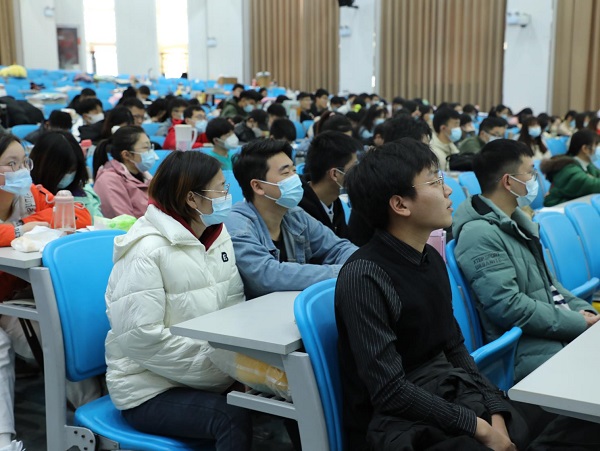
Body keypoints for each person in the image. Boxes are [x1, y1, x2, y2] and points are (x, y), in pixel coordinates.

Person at [337, 140, 529, 450]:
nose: (448, 190)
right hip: (396, 422)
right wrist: (476, 427)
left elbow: (453, 346)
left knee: (520, 428)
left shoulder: (430, 258)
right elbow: (389, 391)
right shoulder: (365, 276)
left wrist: (493, 407)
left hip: (442, 391)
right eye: (435, 182)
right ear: (400, 205)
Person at [104, 150, 252, 449]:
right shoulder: (146, 251)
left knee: (285, 390)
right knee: (232, 416)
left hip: (203, 373)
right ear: (192, 199)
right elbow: (143, 338)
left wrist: (239, 365)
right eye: (220, 189)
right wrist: (225, 370)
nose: (227, 196)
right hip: (148, 387)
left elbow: (233, 307)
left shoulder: (216, 235)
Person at [453, 139, 599, 383]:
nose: (535, 179)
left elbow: (551, 287)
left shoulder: (516, 222)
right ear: (508, 181)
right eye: (530, 172)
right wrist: (577, 322)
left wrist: (584, 312)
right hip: (527, 352)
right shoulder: (479, 234)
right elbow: (508, 306)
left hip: (555, 333)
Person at [0, 135, 91, 451]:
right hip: (9, 304)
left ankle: (96, 420)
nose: (21, 170)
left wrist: (28, 222)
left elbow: (78, 214)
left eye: (24, 162)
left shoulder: (32, 195)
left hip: (22, 298)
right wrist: (25, 229)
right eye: (11, 164)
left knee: (69, 333)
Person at [224, 139, 357, 299]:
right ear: (258, 186)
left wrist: (360, 265)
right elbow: (267, 276)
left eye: (294, 170)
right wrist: (342, 272)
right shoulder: (238, 225)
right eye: (286, 173)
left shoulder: (294, 215)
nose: (296, 178)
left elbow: (338, 248)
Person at [299, 131, 359, 238]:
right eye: (354, 167)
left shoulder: (334, 202)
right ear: (334, 174)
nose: (358, 172)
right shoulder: (300, 212)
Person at [30, 131, 103, 218]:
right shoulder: (27, 195)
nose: (67, 175)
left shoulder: (85, 193)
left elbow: (99, 222)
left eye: (72, 170)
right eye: (61, 171)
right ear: (44, 167)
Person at [93, 126, 156, 218]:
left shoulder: (145, 175)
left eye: (150, 147)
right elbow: (125, 222)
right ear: (126, 155)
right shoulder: (109, 181)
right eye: (146, 148)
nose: (151, 153)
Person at [541, 129, 600, 206]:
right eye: (596, 145)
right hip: (558, 207)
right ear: (585, 149)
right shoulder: (567, 168)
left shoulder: (588, 165)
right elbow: (592, 185)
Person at [430, 107, 461, 171]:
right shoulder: (434, 153)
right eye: (456, 125)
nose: (459, 128)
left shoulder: (451, 145)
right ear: (443, 128)